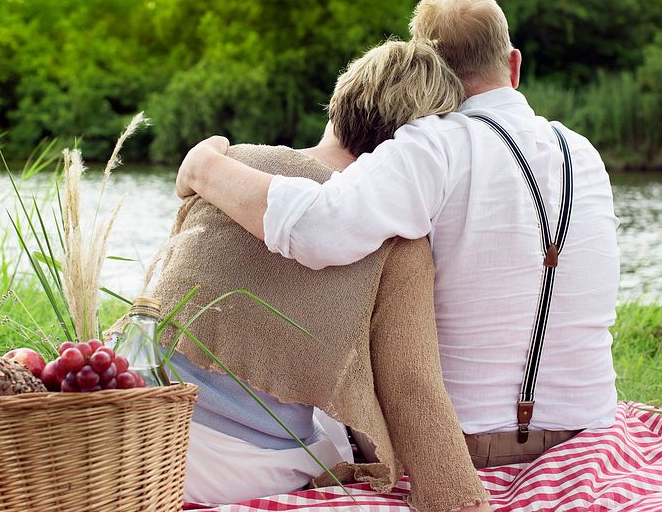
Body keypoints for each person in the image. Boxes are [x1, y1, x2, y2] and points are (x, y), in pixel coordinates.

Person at [175, 0, 621, 468]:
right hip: (587, 434)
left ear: (428, 73)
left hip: (459, 446)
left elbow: (316, 228)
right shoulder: (582, 152)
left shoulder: (432, 144)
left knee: (321, 409)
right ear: (513, 65)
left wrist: (204, 167)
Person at [137, 40, 490, 511]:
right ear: (418, 148)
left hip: (133, 421)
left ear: (339, 102)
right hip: (227, 467)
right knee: (336, 443)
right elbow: (411, 385)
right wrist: (460, 501)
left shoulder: (233, 166)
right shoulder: (399, 240)